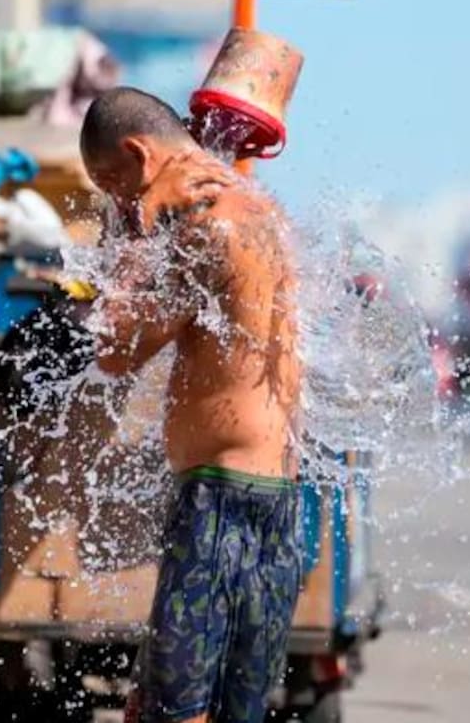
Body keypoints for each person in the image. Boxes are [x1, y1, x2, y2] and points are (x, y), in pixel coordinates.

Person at [79, 87, 303, 723]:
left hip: (220, 504)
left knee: (171, 714)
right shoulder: (257, 208)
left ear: (138, 155)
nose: (115, 203)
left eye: (112, 185)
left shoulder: (204, 221)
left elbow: (116, 346)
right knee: (236, 712)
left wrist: (132, 231)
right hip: (274, 497)